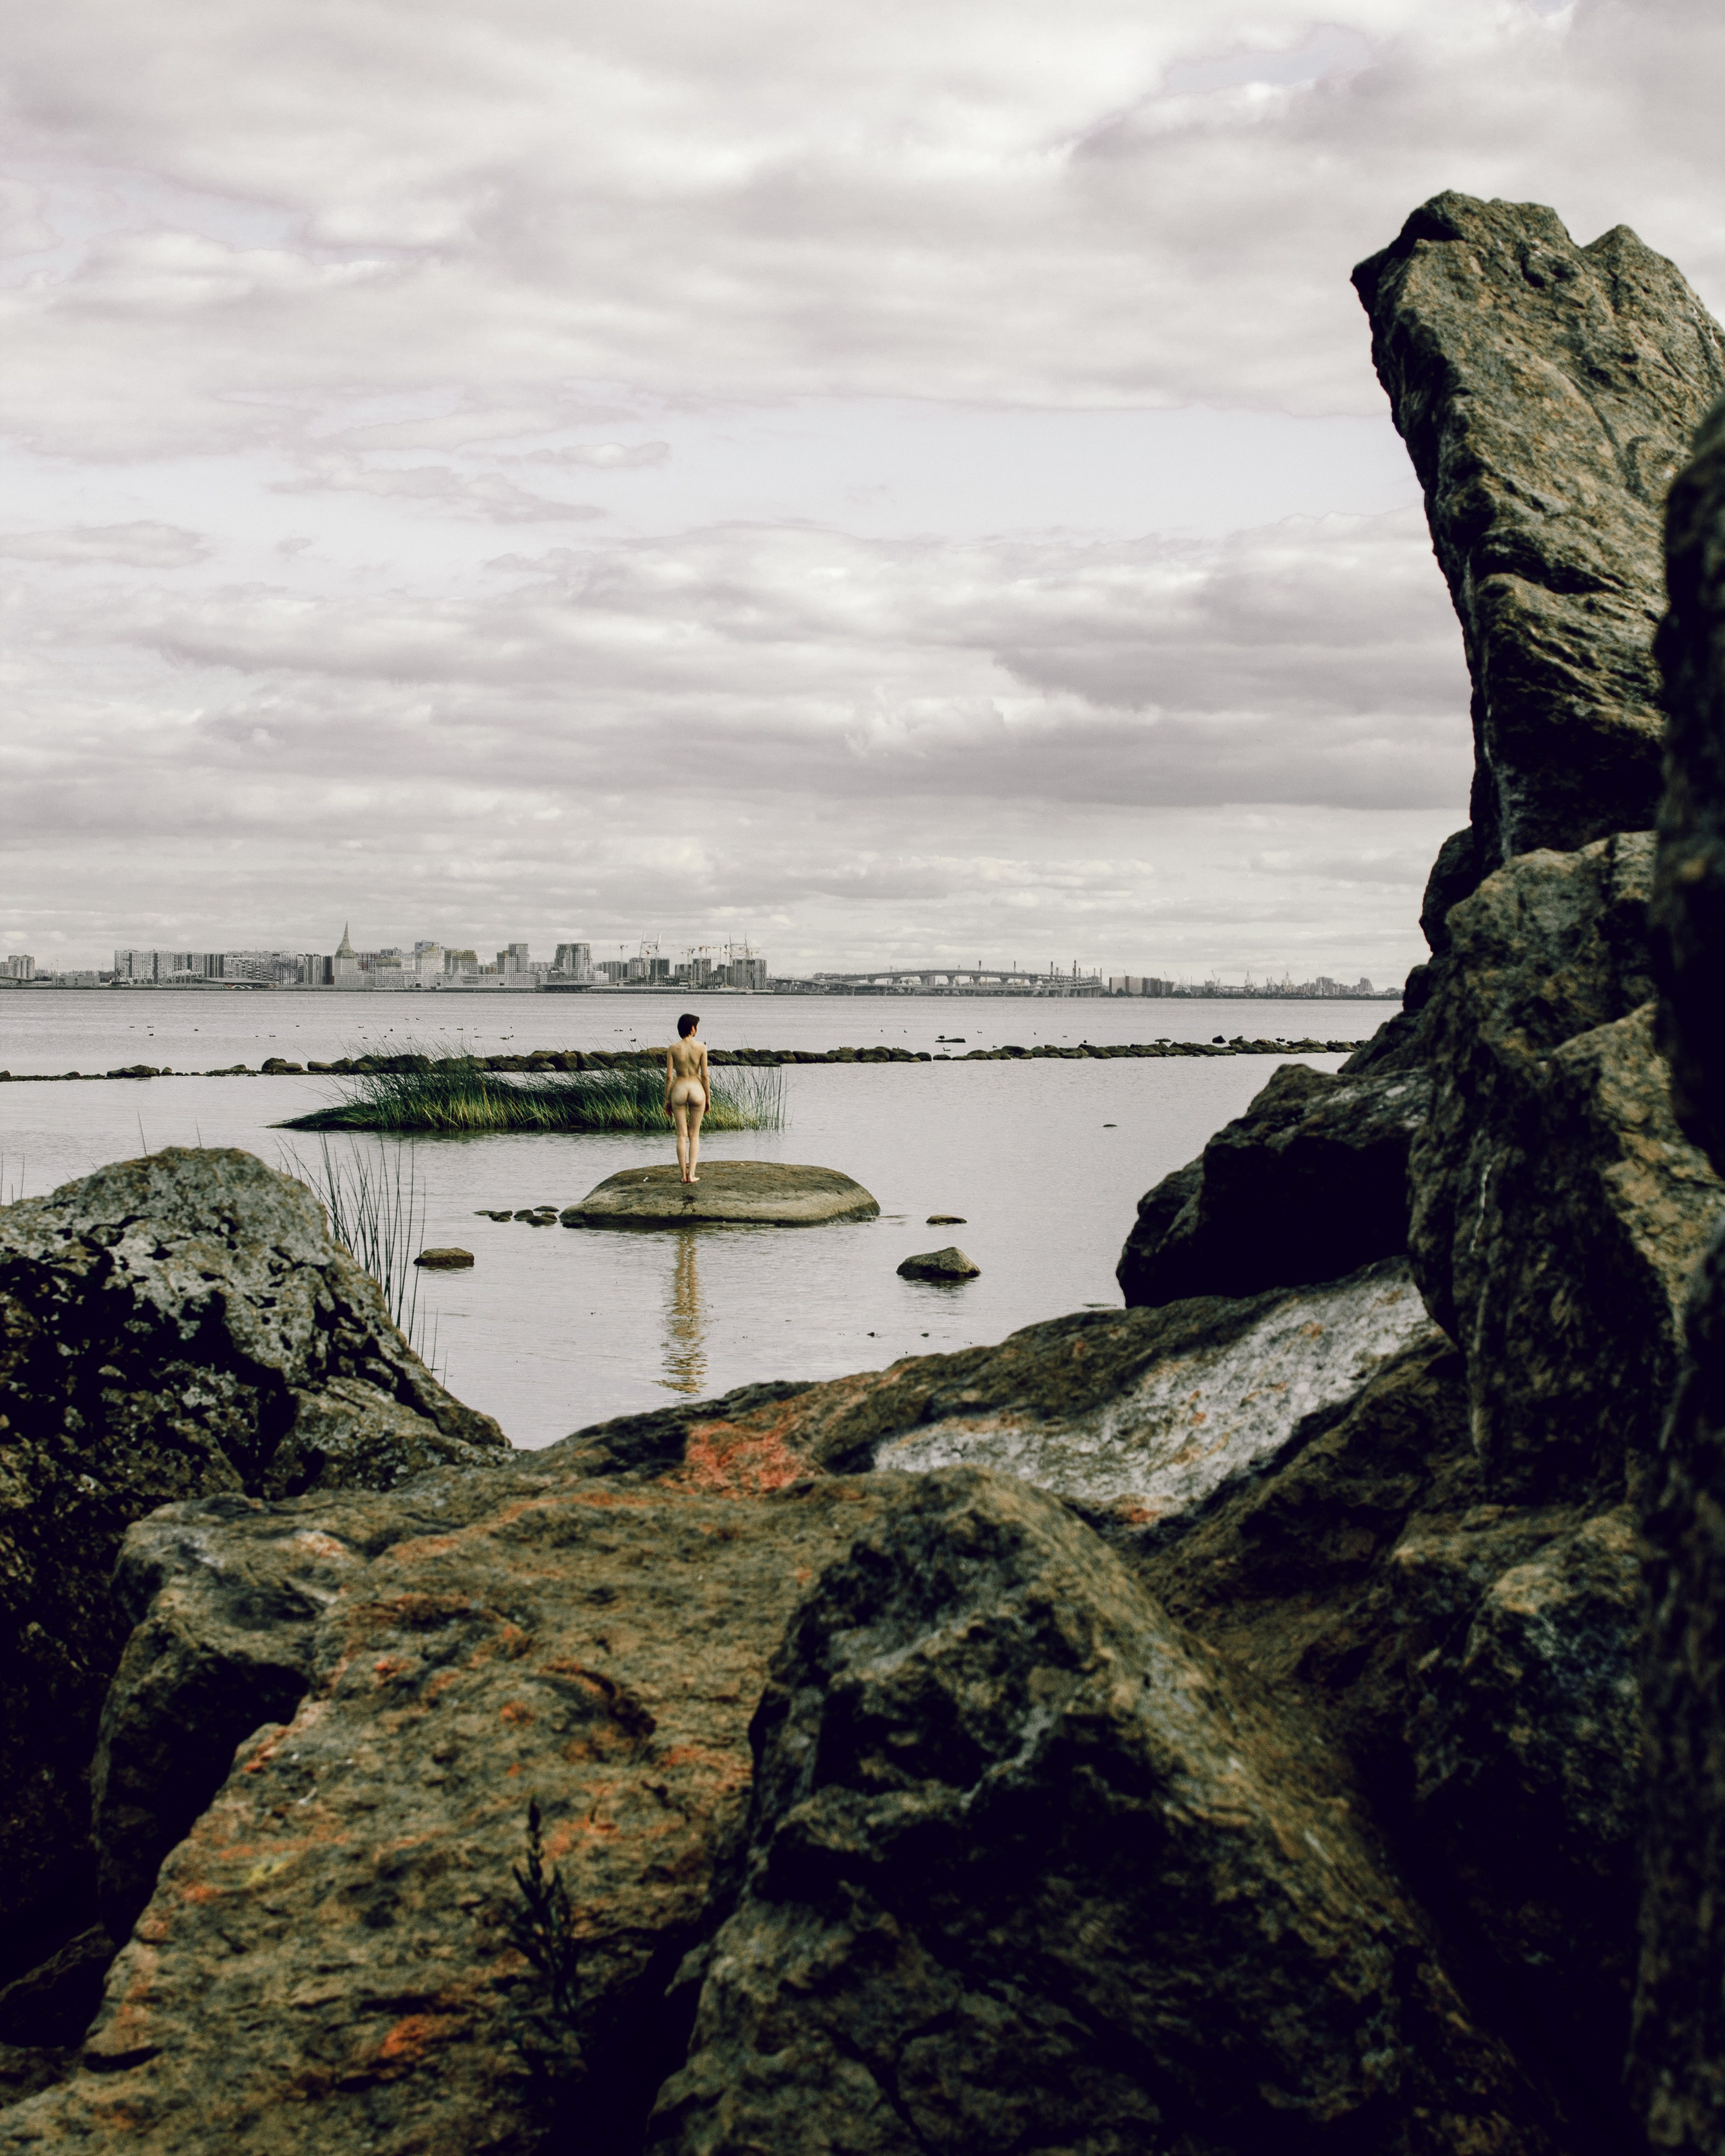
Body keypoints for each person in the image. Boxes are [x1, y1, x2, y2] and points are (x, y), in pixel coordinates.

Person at [664, 1013, 710, 1184]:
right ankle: (692, 1175)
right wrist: (708, 1098)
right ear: (692, 1028)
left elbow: (669, 1076)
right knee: (695, 1135)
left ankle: (683, 1175)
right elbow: (705, 1076)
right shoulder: (701, 1048)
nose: (697, 1029)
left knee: (681, 1135)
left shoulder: (673, 1048)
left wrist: (667, 1100)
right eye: (696, 1026)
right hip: (697, 1089)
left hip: (679, 1088)